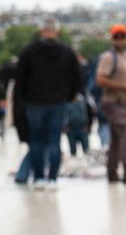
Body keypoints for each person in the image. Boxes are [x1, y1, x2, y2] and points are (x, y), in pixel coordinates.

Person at [15, 17, 83, 188]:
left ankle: (38, 178)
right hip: (58, 101)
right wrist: (69, 96)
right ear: (57, 31)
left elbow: (20, 79)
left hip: (34, 101)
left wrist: (24, 99)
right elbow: (77, 77)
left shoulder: (29, 51)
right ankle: (52, 178)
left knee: (36, 141)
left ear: (41, 31)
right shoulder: (67, 52)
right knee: (54, 141)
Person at [95, 24, 126, 184]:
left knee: (116, 139)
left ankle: (112, 172)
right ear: (112, 38)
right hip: (114, 102)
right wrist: (125, 86)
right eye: (117, 36)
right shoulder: (108, 57)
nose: (120, 40)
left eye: (122, 36)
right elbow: (100, 79)